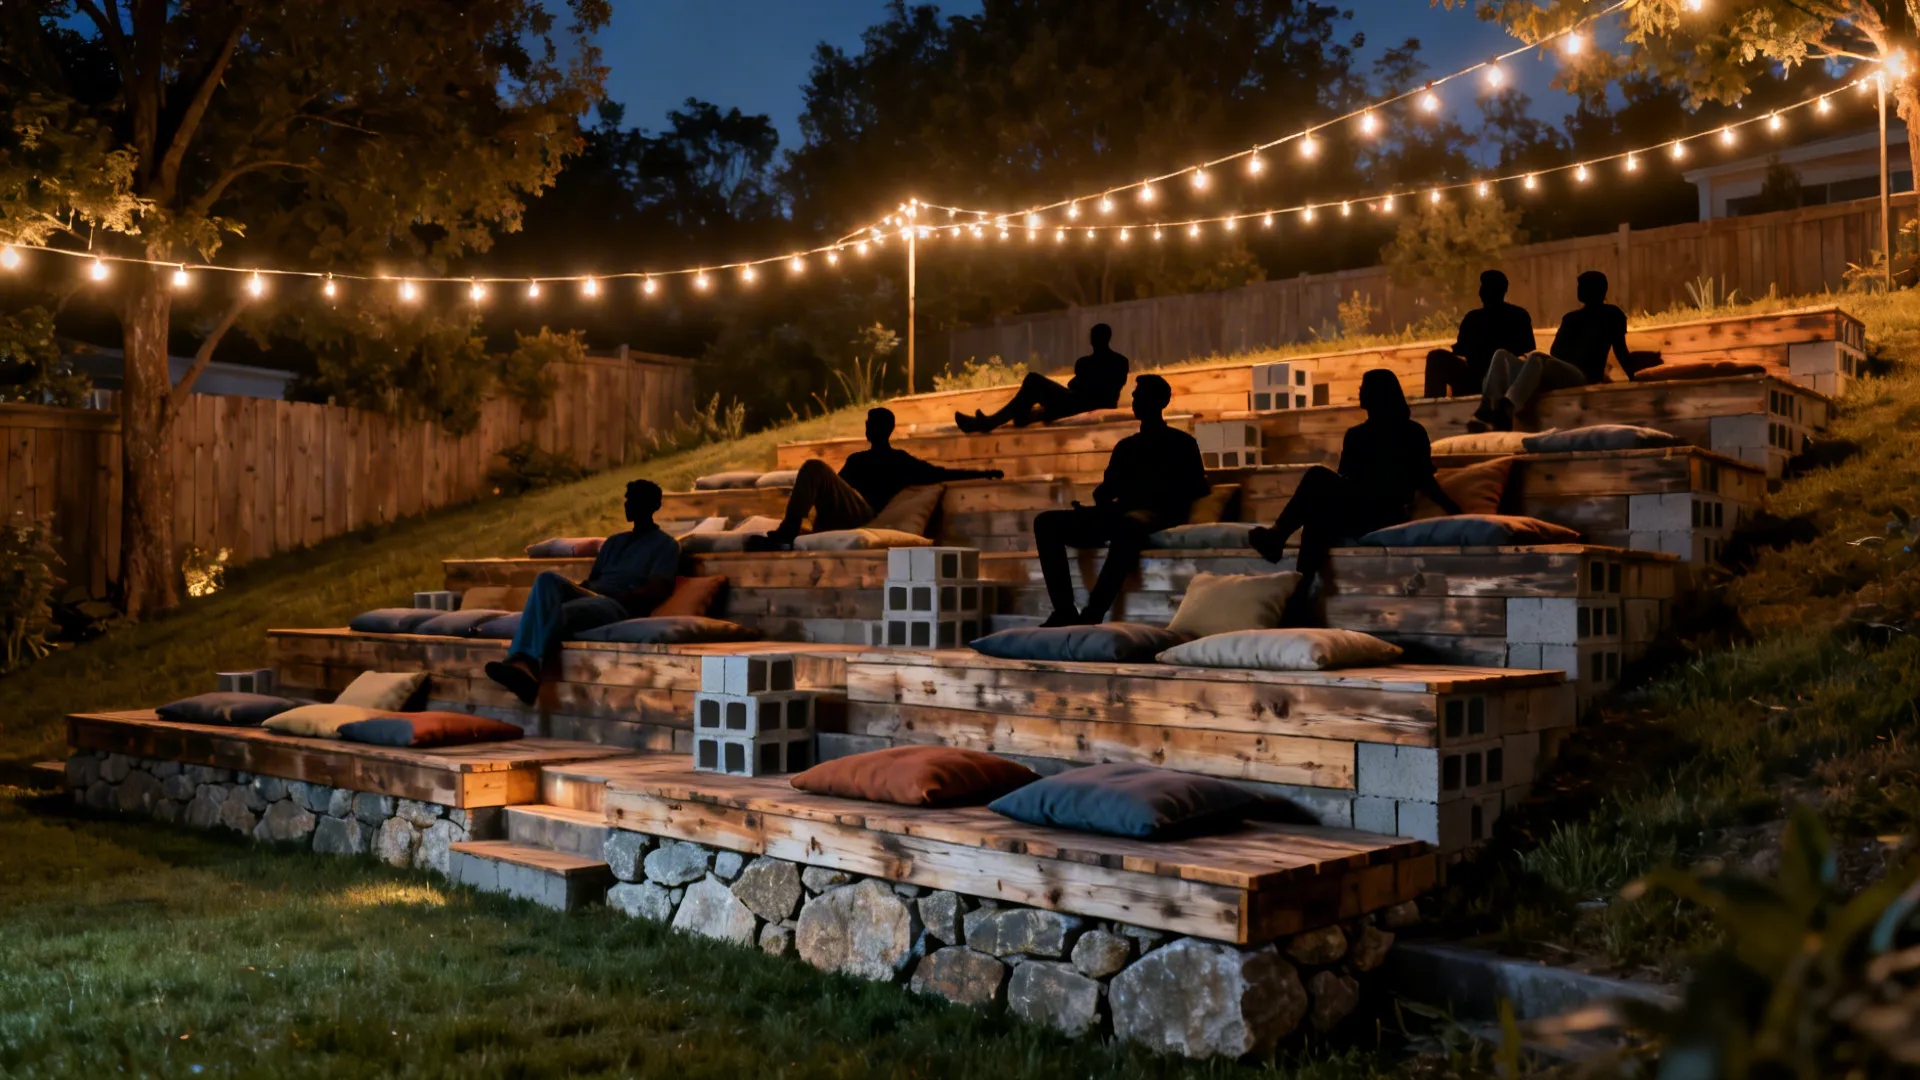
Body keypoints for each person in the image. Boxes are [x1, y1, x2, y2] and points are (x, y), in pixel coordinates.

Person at [1249, 369, 1460, 622]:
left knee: (1317, 478)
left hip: (1386, 512)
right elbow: (1345, 481)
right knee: (1318, 516)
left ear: (1381, 393)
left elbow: (1424, 480)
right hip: (1356, 509)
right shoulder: (1355, 435)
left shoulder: (1411, 432)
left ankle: (1279, 540)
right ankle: (1300, 594)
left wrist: (1455, 510)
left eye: (1365, 386)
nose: (1359, 391)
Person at [1032, 374, 1208, 627]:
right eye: (1135, 394)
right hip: (1119, 512)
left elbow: (1195, 489)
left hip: (1156, 514)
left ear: (1160, 401)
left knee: (1129, 526)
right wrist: (1093, 509)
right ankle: (1064, 610)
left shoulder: (1182, 444)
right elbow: (1105, 491)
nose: (1134, 398)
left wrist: (1151, 497)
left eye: (1140, 393)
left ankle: (1093, 613)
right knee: (1047, 522)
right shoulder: (1126, 446)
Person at [485, 479, 680, 705]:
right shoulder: (614, 543)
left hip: (619, 606)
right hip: (595, 595)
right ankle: (521, 663)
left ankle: (526, 666)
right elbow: (593, 580)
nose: (627, 504)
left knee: (560, 612)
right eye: (627, 498)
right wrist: (577, 589)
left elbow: (658, 589)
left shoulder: (665, 545)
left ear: (653, 506)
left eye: (634, 499)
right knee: (547, 579)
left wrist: (614, 595)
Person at [745, 407, 1003, 551]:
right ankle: (792, 532)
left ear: (882, 429)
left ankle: (787, 533)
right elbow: (837, 488)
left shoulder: (900, 460)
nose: (867, 428)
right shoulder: (857, 459)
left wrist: (983, 473)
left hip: (863, 512)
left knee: (814, 466)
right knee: (817, 473)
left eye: (870, 423)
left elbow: (941, 473)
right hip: (843, 510)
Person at [1469, 270, 1631, 432]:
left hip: (1584, 375)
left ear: (1599, 290)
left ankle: (1509, 407)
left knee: (1536, 357)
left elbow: (1621, 351)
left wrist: (1633, 377)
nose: (1579, 290)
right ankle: (1488, 408)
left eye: (1584, 286)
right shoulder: (1570, 318)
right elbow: (1556, 352)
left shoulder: (1612, 315)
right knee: (1501, 354)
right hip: (1563, 369)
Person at [955, 323, 1129, 433]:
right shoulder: (1120, 362)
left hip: (1079, 405)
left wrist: (1083, 385)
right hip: (1078, 402)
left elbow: (1078, 386)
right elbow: (1088, 386)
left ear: (1093, 340)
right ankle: (1014, 417)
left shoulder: (1087, 363)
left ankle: (992, 422)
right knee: (1032, 387)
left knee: (1033, 380)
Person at [1423, 270, 1535, 398]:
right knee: (1436, 357)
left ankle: (1433, 407)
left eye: (1485, 287)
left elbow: (1461, 350)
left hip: (1499, 379)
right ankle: (1434, 406)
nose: (1482, 291)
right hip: (1480, 379)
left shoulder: (1476, 318)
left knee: (1436, 358)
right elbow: (1527, 349)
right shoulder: (1518, 315)